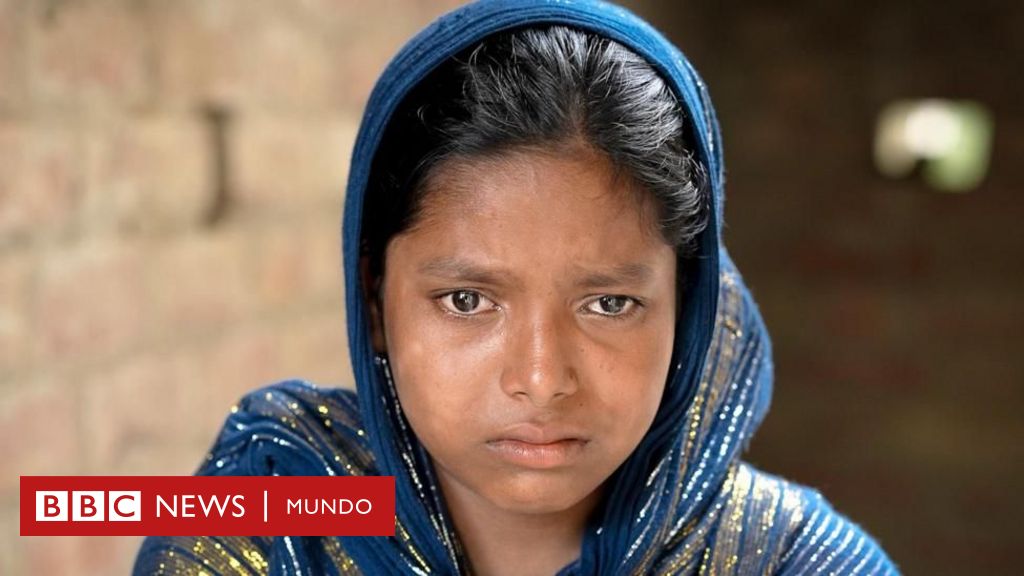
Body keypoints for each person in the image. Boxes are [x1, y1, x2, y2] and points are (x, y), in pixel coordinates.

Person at [133, 0, 899, 574]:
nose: (540, 378)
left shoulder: (793, 561)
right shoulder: (273, 513)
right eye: (467, 300)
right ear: (375, 299)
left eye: (609, 304)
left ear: (688, 309)